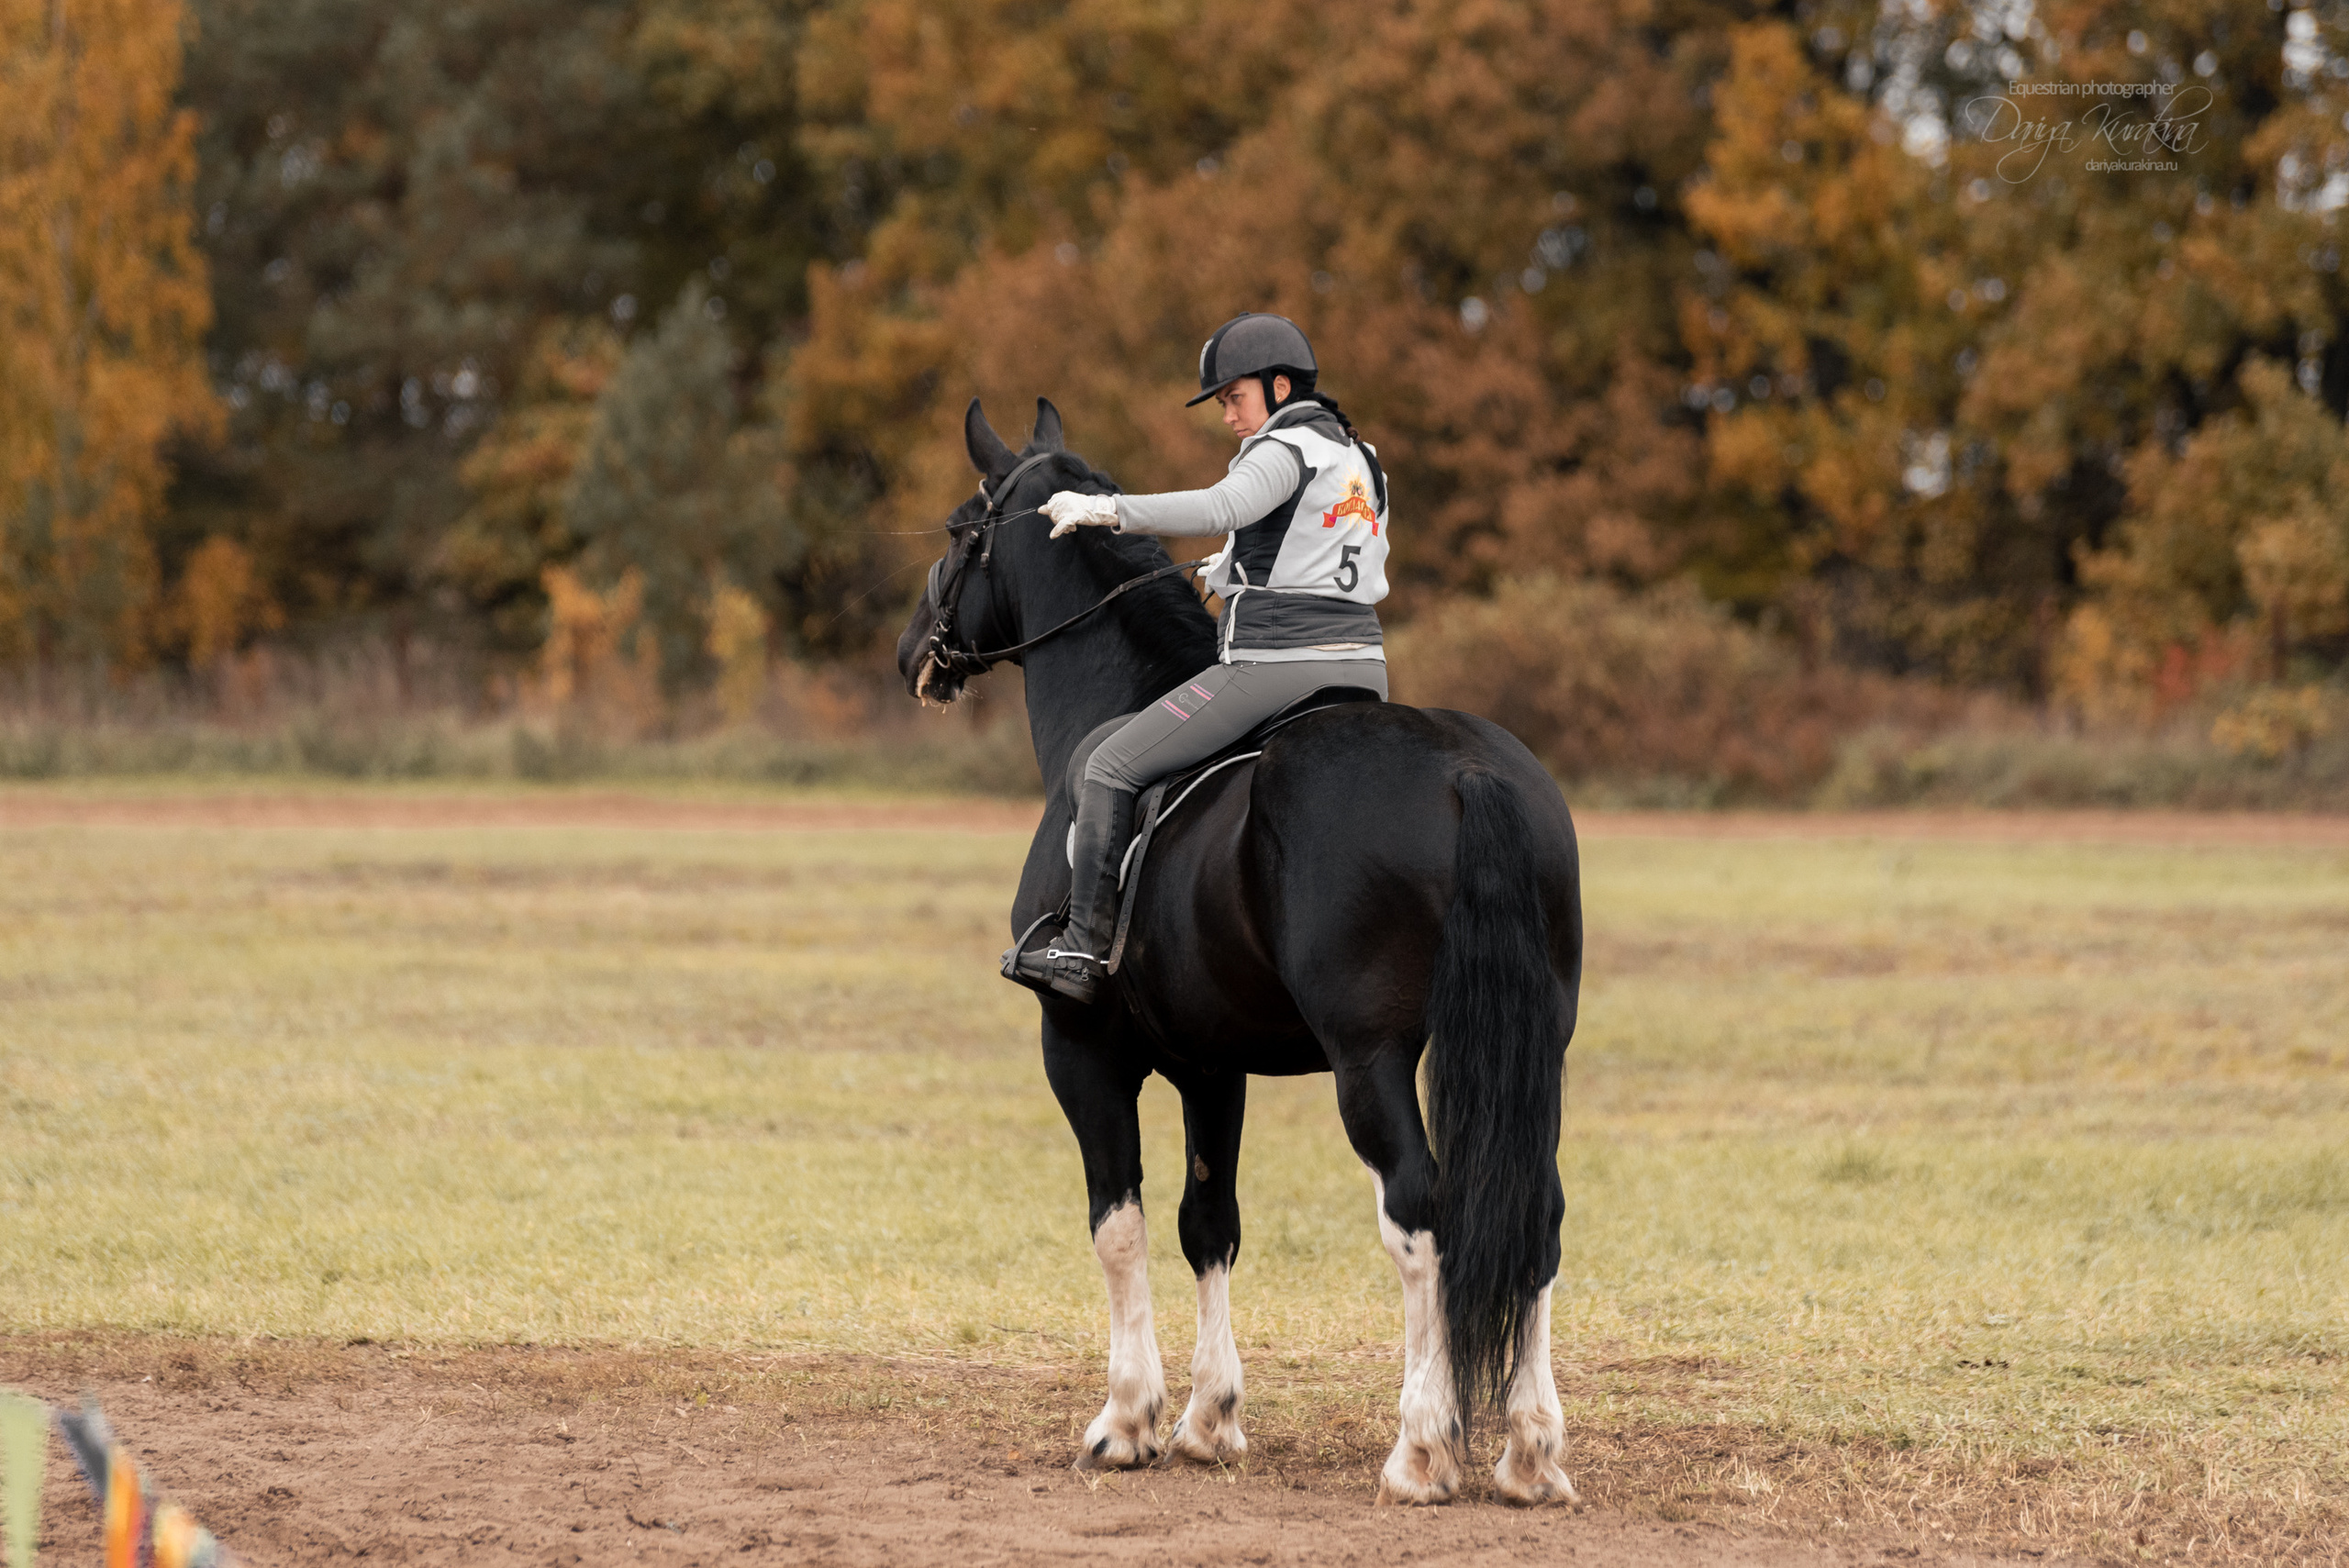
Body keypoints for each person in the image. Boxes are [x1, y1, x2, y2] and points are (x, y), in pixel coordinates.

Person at [1008, 312, 1391, 1005]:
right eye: (1222, 403)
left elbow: (1221, 504)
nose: (1228, 416)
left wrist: (1107, 509)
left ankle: (1083, 950)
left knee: (1107, 765)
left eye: (1234, 397)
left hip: (1277, 665)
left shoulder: (1286, 447)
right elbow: (1316, 547)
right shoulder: (1360, 458)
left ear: (1279, 387)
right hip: (1363, 666)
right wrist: (1238, 563)